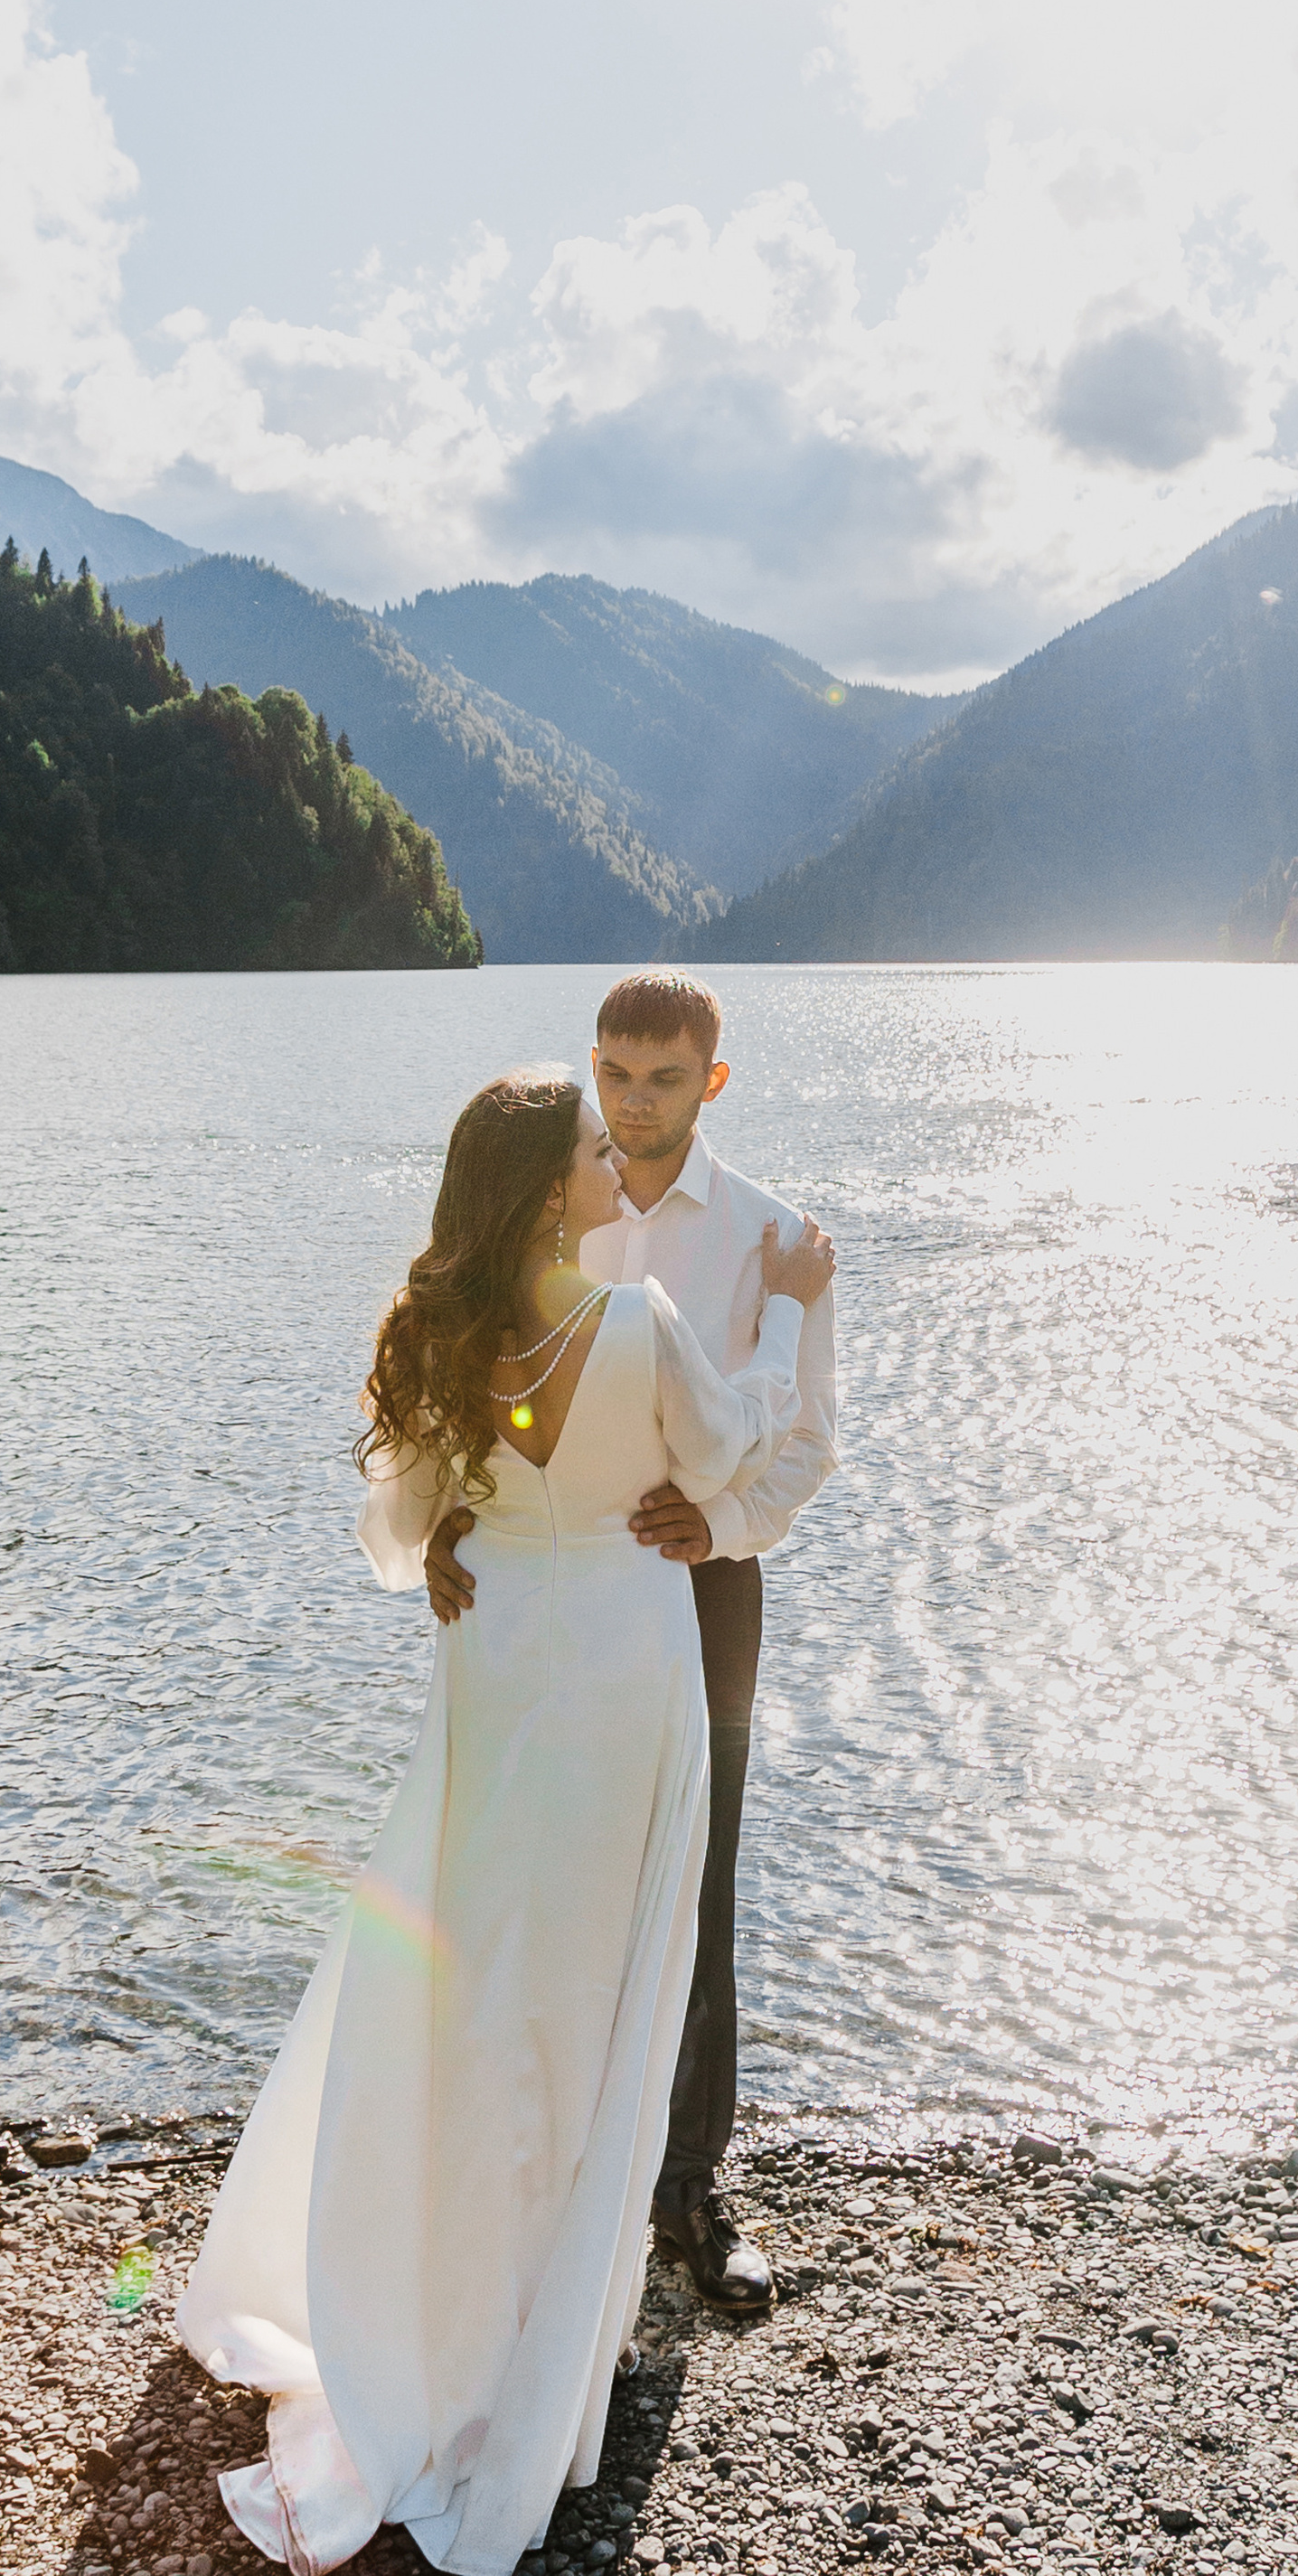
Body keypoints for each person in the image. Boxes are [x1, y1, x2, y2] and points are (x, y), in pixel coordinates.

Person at [176, 1068, 836, 2576]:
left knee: (482, 1989)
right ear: (552, 1186)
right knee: (598, 1999)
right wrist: (793, 1299)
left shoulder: (447, 1340)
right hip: (619, 1676)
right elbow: (739, 1450)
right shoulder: (636, 1325)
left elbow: (398, 1538)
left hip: (500, 1679)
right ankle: (538, 2340)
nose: (623, 1157)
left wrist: (478, 1513)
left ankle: (448, 2301)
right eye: (601, 1147)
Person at [427, 970, 837, 2317]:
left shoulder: (777, 1238)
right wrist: (449, 1517)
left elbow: (806, 1451)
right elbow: (480, 1392)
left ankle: (691, 2192)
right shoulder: (550, 1203)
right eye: (614, 1074)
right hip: (544, 1599)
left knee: (695, 1883)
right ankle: (543, 2176)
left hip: (698, 1592)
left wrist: (710, 1523)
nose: (635, 1102)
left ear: (710, 1082)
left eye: (663, 1079)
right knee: (537, 1872)